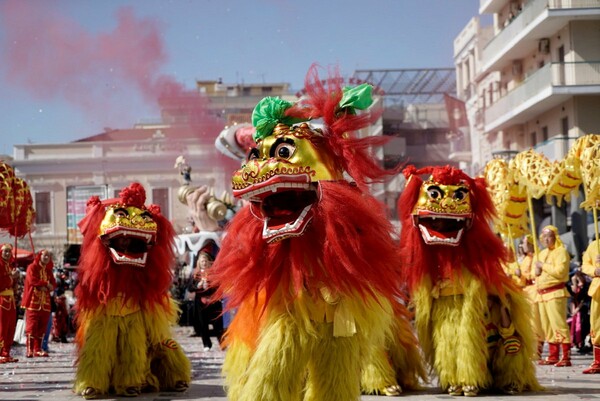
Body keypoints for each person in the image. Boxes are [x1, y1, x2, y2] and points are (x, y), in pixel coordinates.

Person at [535, 225, 572, 366]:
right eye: (543, 236)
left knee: (559, 324)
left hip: (556, 292)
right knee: (547, 326)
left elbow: (560, 272)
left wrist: (542, 266)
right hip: (541, 294)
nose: (546, 239)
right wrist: (536, 271)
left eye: (549, 235)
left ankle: (566, 357)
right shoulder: (542, 253)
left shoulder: (561, 251)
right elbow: (536, 274)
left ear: (555, 237)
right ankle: (553, 355)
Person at [21, 249, 56, 358]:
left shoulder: (48, 270)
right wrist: (46, 284)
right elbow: (32, 280)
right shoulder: (32, 267)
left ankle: (38, 349)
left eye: (48, 256)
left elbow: (53, 284)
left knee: (42, 328)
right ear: (39, 256)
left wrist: (48, 286)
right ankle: (30, 349)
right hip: (33, 302)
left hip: (45, 303)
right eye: (45, 256)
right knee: (31, 327)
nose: (46, 258)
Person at [189, 242, 223, 351]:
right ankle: (206, 344)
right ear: (199, 262)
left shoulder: (214, 273)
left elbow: (219, 286)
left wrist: (210, 284)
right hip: (201, 303)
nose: (204, 263)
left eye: (205, 261)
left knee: (217, 324)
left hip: (213, 301)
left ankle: (222, 342)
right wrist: (197, 285)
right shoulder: (196, 274)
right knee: (203, 325)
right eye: (202, 261)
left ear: (209, 262)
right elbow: (190, 287)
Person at [581, 237, 600, 373]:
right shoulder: (594, 245)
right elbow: (585, 265)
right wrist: (595, 270)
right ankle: (598, 362)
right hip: (597, 289)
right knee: (596, 324)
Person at [0, 243, 19, 363]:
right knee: (2, 327)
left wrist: (15, 278)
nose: (7, 253)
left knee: (10, 327)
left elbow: (12, 284)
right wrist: (9, 276)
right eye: (5, 251)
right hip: (1, 299)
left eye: (9, 251)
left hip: (10, 300)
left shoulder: (9, 265)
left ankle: (6, 352)